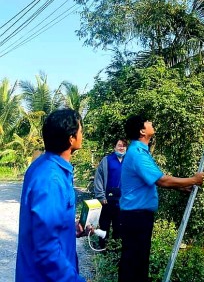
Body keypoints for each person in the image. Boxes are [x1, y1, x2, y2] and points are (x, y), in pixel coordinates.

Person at [118, 115, 204, 282]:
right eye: (147, 121)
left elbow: (152, 181)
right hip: (136, 217)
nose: (151, 123)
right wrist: (193, 180)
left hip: (136, 216)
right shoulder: (137, 154)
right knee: (134, 263)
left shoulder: (141, 151)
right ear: (142, 131)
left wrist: (181, 187)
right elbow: (161, 180)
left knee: (137, 261)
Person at [16, 109, 86, 282]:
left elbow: (45, 224)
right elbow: (46, 249)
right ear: (71, 138)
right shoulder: (51, 179)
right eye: (80, 131)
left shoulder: (46, 166)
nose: (82, 135)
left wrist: (70, 228)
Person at [94, 138, 127, 248]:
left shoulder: (129, 161)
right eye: (119, 145)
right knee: (104, 225)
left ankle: (115, 249)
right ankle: (103, 248)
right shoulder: (107, 160)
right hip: (107, 200)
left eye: (124, 146)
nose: (121, 147)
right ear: (115, 147)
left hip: (122, 201)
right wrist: (101, 196)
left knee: (119, 226)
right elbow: (99, 179)